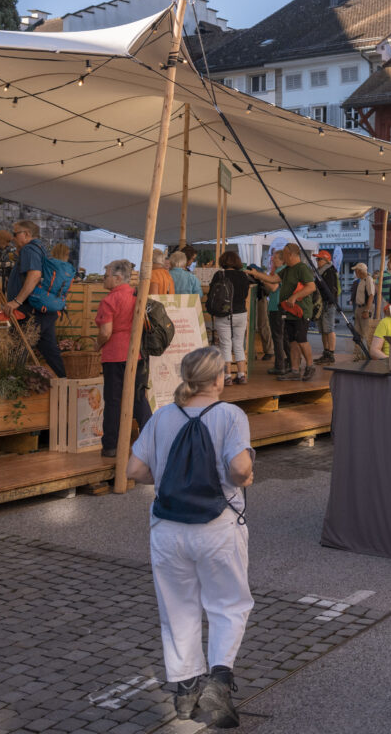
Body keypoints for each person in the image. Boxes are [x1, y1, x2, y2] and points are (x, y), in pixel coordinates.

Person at [126, 345, 254, 730]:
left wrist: (166, 478)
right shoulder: (230, 415)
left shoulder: (163, 416)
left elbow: (135, 469)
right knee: (228, 604)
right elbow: (238, 469)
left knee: (177, 609)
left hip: (167, 528)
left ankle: (185, 690)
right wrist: (246, 475)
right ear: (218, 379)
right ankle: (218, 679)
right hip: (217, 528)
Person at [97, 259, 154, 459]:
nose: (103, 280)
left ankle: (111, 445)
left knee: (113, 400)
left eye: (106, 276)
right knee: (139, 399)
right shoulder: (137, 294)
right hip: (137, 353)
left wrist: (98, 344)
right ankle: (153, 440)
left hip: (114, 355)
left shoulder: (109, 301)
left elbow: (106, 332)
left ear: (118, 277)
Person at [2, 220, 66, 378]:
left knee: (19, 344)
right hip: (41, 309)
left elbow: (35, 275)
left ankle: (12, 384)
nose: (12, 237)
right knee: (48, 348)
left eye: (15, 234)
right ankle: (66, 382)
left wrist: (16, 301)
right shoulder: (40, 248)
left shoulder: (29, 249)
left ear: (27, 234)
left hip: (30, 309)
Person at [208, 252, 253, 384]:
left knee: (225, 344)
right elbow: (245, 294)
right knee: (239, 344)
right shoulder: (244, 276)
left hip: (224, 314)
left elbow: (212, 294)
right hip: (241, 314)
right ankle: (241, 375)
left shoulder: (219, 275)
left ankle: (227, 377)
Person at [276, 245, 317, 381]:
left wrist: (294, 297)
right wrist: (255, 274)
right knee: (292, 341)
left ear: (292, 255)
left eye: (285, 255)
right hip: (289, 312)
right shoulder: (287, 269)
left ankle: (310, 366)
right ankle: (294, 370)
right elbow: (274, 280)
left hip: (301, 311)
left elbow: (311, 287)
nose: (284, 258)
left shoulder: (302, 268)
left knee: (301, 339)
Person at [312, 250, 342, 365]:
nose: (317, 261)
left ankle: (331, 353)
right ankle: (326, 352)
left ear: (326, 260)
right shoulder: (321, 272)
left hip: (327, 304)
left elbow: (329, 289)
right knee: (323, 330)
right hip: (322, 303)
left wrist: (328, 302)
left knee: (329, 329)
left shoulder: (328, 272)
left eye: (319, 259)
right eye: (317, 259)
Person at [350, 262, 374, 359]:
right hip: (359, 308)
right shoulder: (361, 280)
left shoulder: (368, 279)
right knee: (357, 333)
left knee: (366, 332)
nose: (355, 272)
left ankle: (370, 354)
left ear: (360, 271)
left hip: (364, 308)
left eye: (356, 270)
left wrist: (367, 310)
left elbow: (371, 295)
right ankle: (357, 354)